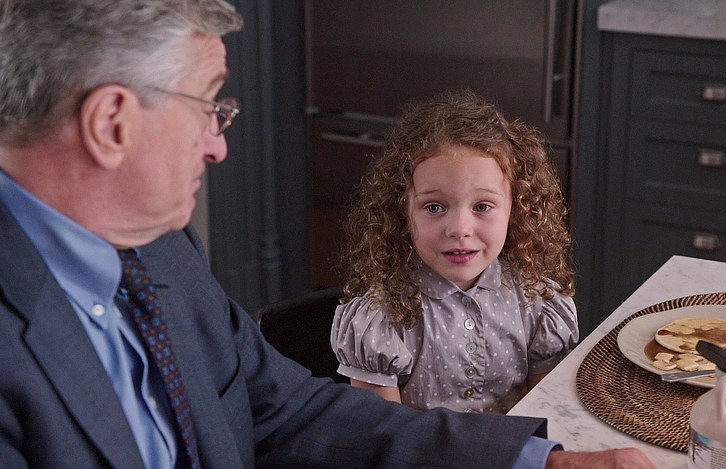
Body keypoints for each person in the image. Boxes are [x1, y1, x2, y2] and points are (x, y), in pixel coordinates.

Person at [0, 1, 655, 468]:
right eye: (208, 107)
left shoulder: (162, 253)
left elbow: (286, 411)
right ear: (111, 124)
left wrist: (541, 461)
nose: (217, 145)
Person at [331, 89, 579, 414]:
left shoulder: (537, 304)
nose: (460, 229)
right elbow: (387, 434)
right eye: (434, 207)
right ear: (402, 211)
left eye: (482, 206)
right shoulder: (384, 318)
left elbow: (545, 417)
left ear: (516, 210)